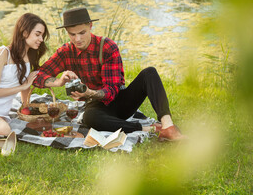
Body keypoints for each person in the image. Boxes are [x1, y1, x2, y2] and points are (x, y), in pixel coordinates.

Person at [33, 7, 185, 141]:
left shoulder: (107, 47)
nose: (77, 39)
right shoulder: (66, 52)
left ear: (90, 26)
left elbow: (112, 91)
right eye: (72, 34)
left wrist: (89, 92)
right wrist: (58, 82)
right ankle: (148, 129)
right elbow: (37, 75)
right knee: (89, 117)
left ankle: (168, 126)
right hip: (97, 108)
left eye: (82, 33)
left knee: (149, 73)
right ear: (67, 32)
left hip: (121, 101)